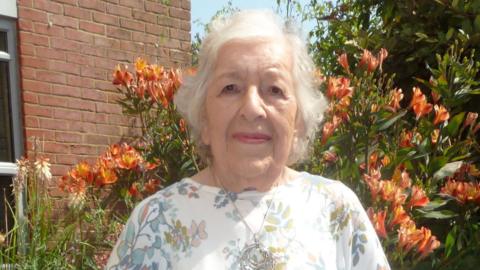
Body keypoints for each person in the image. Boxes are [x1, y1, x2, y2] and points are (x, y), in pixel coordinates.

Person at [106, 10, 391, 270]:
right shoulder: (155, 222)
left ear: (298, 121)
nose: (252, 108)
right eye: (231, 88)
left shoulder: (337, 211)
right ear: (203, 117)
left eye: (275, 90)